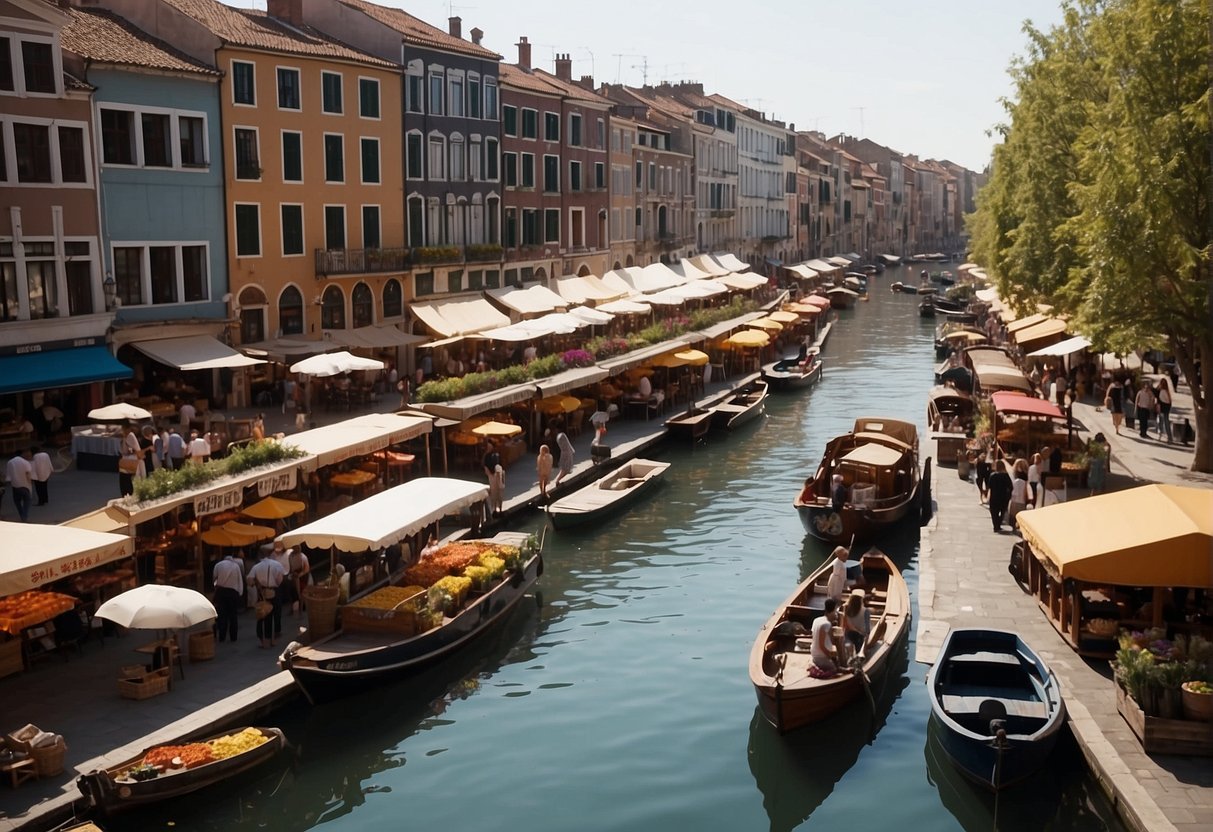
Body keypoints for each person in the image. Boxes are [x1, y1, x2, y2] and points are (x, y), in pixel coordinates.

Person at [247, 549, 287, 648]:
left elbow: (249, 580)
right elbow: (280, 579)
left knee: (263, 615)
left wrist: (257, 584)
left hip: (262, 593)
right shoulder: (277, 564)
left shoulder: (256, 567)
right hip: (275, 591)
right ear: (270, 555)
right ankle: (274, 638)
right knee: (275, 614)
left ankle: (264, 640)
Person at [212, 552, 244, 643]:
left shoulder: (218, 565)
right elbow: (239, 579)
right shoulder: (236, 566)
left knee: (222, 615)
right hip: (233, 592)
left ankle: (222, 636)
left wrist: (216, 587)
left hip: (221, 592)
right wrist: (240, 592)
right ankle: (233, 637)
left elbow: (214, 578)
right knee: (233, 615)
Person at [810, 598, 840, 674]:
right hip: (821, 656)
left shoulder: (816, 620)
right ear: (833, 610)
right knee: (835, 670)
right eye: (835, 611)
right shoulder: (826, 624)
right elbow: (821, 645)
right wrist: (830, 656)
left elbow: (814, 636)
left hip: (814, 653)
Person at [5, 449, 33, 522]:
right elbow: (28, 474)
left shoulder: (10, 462)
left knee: (17, 501)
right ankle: (24, 516)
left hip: (15, 485)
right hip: (25, 485)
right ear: (22, 454)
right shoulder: (26, 462)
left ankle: (22, 514)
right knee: (27, 501)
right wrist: (30, 483)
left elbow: (8, 476)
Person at [842, 590, 870, 662]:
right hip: (860, 637)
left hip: (848, 635)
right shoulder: (866, 611)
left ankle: (851, 656)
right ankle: (860, 654)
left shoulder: (846, 608)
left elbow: (844, 625)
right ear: (862, 599)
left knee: (849, 642)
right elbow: (867, 631)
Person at [987, 460, 1013, 533]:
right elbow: (1010, 487)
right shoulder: (1006, 476)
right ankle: (998, 524)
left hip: (994, 496)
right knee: (1002, 511)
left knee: (994, 512)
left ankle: (996, 526)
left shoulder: (992, 475)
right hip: (1003, 496)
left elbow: (989, 486)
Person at [1008, 458, 1030, 528]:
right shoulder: (1026, 477)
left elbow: (1014, 492)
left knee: (1013, 517)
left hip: (1015, 500)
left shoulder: (1016, 478)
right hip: (1022, 500)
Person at [1155, 378, 1173, 443]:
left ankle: (1160, 435)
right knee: (1165, 422)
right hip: (1166, 408)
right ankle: (1169, 437)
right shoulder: (1166, 391)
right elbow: (1169, 401)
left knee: (1161, 422)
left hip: (1162, 407)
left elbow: (1159, 400)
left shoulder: (1161, 391)